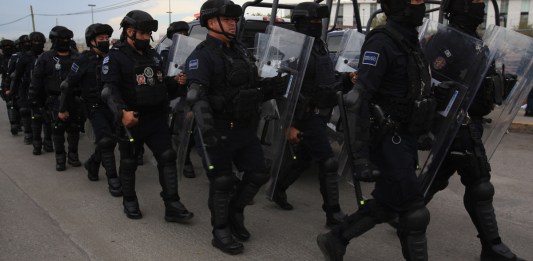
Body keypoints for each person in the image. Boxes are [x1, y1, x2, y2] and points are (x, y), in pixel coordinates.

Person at [317, 0, 435, 260]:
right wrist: (359, 158)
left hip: (405, 137)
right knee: (414, 210)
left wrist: (424, 129)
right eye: (414, 1)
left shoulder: (412, 43)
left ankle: (336, 238)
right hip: (386, 139)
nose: (421, 5)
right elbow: (357, 100)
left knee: (389, 204)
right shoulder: (382, 42)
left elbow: (419, 89)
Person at [422, 1, 523, 260]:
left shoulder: (476, 42)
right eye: (474, 1)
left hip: (471, 122)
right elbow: (434, 86)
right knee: (479, 185)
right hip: (455, 124)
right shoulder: (443, 41)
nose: (480, 6)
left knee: (433, 180)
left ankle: (397, 214)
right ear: (459, 7)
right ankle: (493, 248)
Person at [186, 0, 286, 254]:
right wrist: (207, 132)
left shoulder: (240, 51)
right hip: (217, 130)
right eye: (228, 19)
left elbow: (252, 88)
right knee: (221, 181)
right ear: (211, 22)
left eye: (234, 19)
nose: (234, 23)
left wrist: (276, 85)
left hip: (243, 128)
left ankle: (235, 212)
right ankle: (220, 231)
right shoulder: (202, 55)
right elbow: (196, 96)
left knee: (258, 173)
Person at [101, 10, 193, 222]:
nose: (146, 38)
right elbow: (108, 90)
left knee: (167, 157)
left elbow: (159, 84)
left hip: (156, 119)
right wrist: (122, 113)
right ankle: (130, 200)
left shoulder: (153, 55)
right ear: (130, 32)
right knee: (129, 162)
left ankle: (172, 205)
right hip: (131, 119)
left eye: (148, 34)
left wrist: (175, 82)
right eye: (142, 34)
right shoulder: (115, 57)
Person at [269, 1, 354, 228]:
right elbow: (285, 90)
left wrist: (346, 80)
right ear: (300, 23)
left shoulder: (320, 46)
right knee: (327, 162)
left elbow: (326, 82)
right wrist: (290, 123)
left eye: (319, 21)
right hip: (304, 115)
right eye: (312, 22)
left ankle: (278, 188)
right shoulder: (293, 49)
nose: (317, 25)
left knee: (305, 156)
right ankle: (333, 213)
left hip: (320, 112)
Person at [59, 23, 122, 197]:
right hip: (95, 107)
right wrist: (62, 109)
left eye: (107, 38)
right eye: (101, 39)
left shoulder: (113, 57)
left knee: (113, 140)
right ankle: (113, 179)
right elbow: (67, 85)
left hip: (114, 106)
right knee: (106, 142)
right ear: (91, 41)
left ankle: (93, 164)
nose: (105, 41)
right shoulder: (83, 60)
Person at [29, 26, 81, 171]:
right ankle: (60, 158)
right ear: (54, 40)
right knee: (57, 130)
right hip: (54, 99)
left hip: (74, 99)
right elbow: (37, 80)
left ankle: (73, 155)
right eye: (61, 39)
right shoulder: (45, 58)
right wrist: (34, 101)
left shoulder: (77, 57)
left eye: (67, 39)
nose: (65, 41)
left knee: (74, 129)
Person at [11, 33, 42, 145]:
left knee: (41, 114)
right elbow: (17, 75)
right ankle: (28, 133)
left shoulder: (44, 56)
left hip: (40, 89)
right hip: (25, 87)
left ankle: (43, 140)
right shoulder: (22, 57)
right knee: (25, 110)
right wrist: (13, 90)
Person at [0, 39, 21, 136]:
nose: (7, 49)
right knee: (10, 103)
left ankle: (18, 123)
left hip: (18, 83)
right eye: (5, 47)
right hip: (6, 83)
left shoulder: (18, 57)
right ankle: (14, 124)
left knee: (19, 104)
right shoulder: (2, 58)